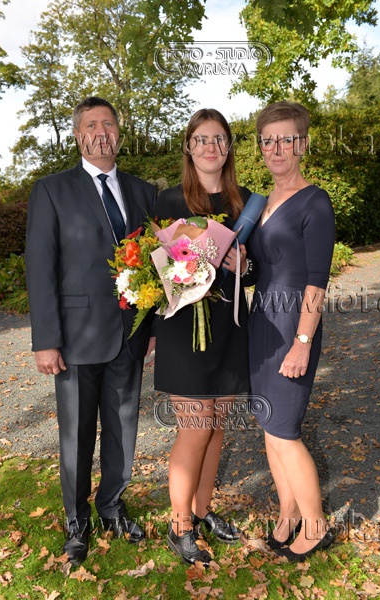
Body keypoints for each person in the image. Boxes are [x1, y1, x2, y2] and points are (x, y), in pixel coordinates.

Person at [25, 97, 157, 565]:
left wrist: (152, 325)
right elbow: (40, 267)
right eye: (91, 125)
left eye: (109, 124)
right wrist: (46, 339)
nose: (101, 132)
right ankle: (76, 520)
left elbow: (159, 263)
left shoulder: (143, 192)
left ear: (119, 132)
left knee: (123, 428)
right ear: (78, 135)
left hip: (129, 334)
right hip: (76, 337)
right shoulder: (51, 190)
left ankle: (112, 506)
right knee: (77, 435)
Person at [152, 109, 253, 566]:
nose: (211, 147)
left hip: (229, 325)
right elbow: (154, 270)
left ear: (228, 148)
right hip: (183, 328)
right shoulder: (168, 200)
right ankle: (179, 527)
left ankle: (201, 510)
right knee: (195, 428)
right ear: (189, 147)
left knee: (216, 428)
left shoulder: (245, 202)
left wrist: (245, 265)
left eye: (219, 139)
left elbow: (258, 269)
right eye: (201, 139)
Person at [247, 100, 336, 562]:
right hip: (261, 322)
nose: (276, 149)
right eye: (268, 141)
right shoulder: (261, 202)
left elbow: (317, 281)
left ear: (302, 144)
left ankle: (316, 527)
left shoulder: (315, 201)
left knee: (284, 430)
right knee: (268, 425)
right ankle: (288, 516)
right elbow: (258, 268)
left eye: (286, 139)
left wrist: (302, 342)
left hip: (292, 326)